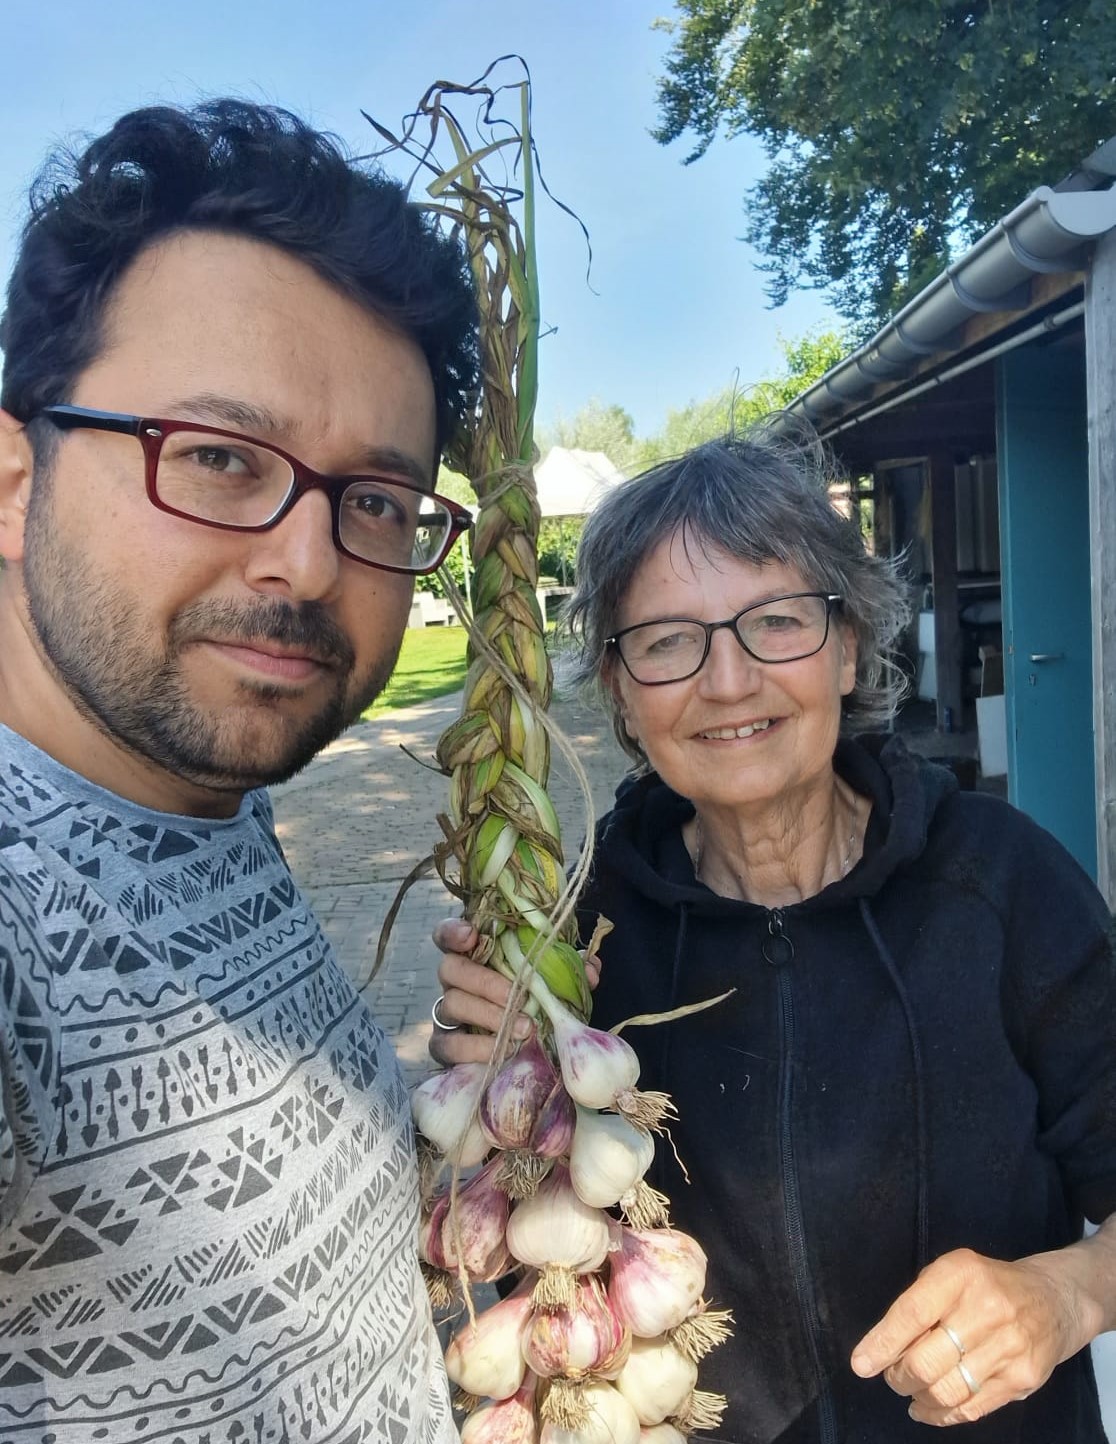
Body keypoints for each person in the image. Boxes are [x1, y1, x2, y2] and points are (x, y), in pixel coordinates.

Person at [431, 429, 1116, 1443]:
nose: (729, 681)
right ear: (619, 689)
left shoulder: (1001, 883)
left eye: (777, 623)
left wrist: (1071, 1294)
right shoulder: (570, 940)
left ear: (847, 648)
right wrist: (495, 1095)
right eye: (668, 640)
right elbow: (508, 1258)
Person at [0, 99, 479, 1444]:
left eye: (375, 499)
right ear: (11, 479)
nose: (309, 565)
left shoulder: (205, 799)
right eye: (217, 459)